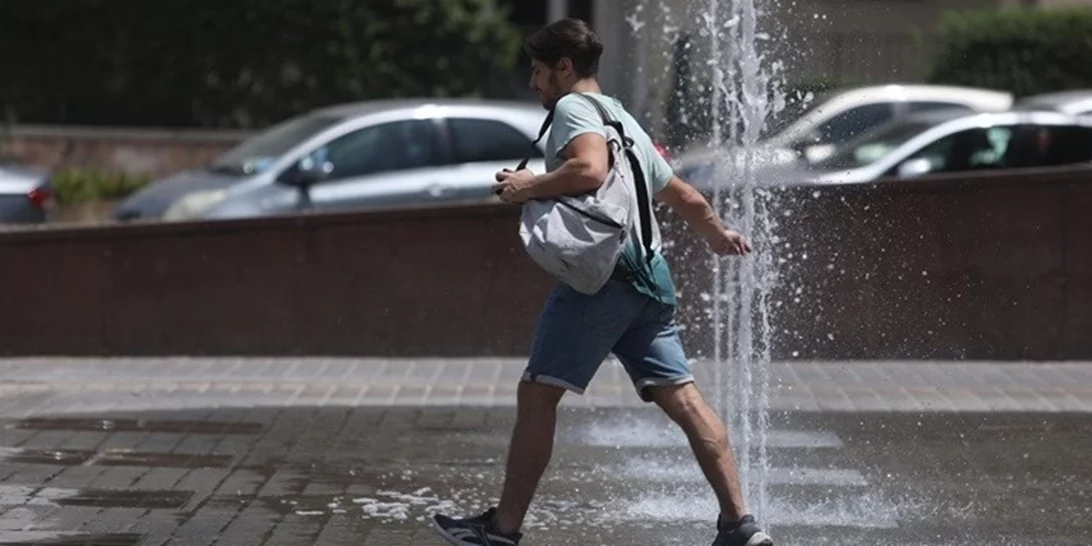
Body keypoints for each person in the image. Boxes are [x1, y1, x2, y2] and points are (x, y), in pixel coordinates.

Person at [430, 18, 773, 546]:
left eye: (539, 71)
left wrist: (528, 186)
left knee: (537, 394)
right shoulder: (623, 117)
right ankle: (739, 525)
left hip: (603, 277)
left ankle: (502, 530)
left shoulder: (573, 109)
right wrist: (717, 233)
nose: (533, 83)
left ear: (564, 68)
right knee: (684, 399)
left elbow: (589, 170)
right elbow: (683, 194)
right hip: (651, 275)